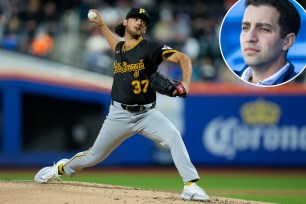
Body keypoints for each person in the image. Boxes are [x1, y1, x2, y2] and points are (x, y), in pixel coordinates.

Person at [34, 8, 209, 201]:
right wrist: (101, 25)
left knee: (174, 136)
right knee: (94, 157)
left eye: (144, 20)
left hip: (148, 114)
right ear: (125, 22)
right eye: (136, 18)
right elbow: (115, 43)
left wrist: (185, 83)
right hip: (119, 114)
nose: (140, 22)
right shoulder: (119, 48)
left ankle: (190, 185)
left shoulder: (151, 48)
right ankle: (59, 168)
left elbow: (184, 58)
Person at [235, 0, 301, 86]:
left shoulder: (299, 91)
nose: (249, 38)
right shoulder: (222, 84)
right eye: (245, 28)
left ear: (287, 41)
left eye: (264, 29)